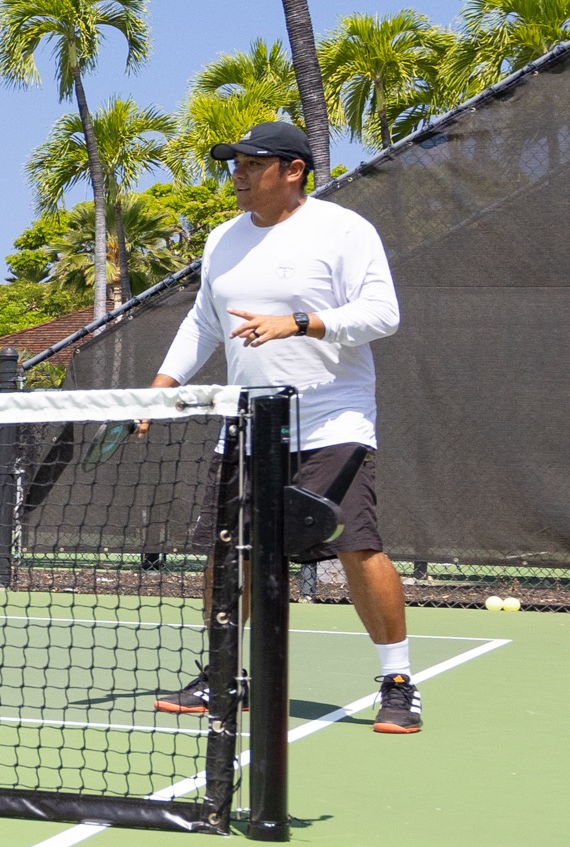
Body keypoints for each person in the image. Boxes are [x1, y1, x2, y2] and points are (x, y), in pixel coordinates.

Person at [148, 119, 415, 732]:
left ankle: (397, 680)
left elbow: (383, 313)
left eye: (251, 163)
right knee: (227, 555)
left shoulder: (344, 230)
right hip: (247, 424)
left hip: (333, 418)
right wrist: (159, 392)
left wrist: (299, 323)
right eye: (233, 164)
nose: (237, 174)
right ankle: (223, 674)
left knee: (357, 546)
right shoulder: (222, 239)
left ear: (292, 171)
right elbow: (203, 325)